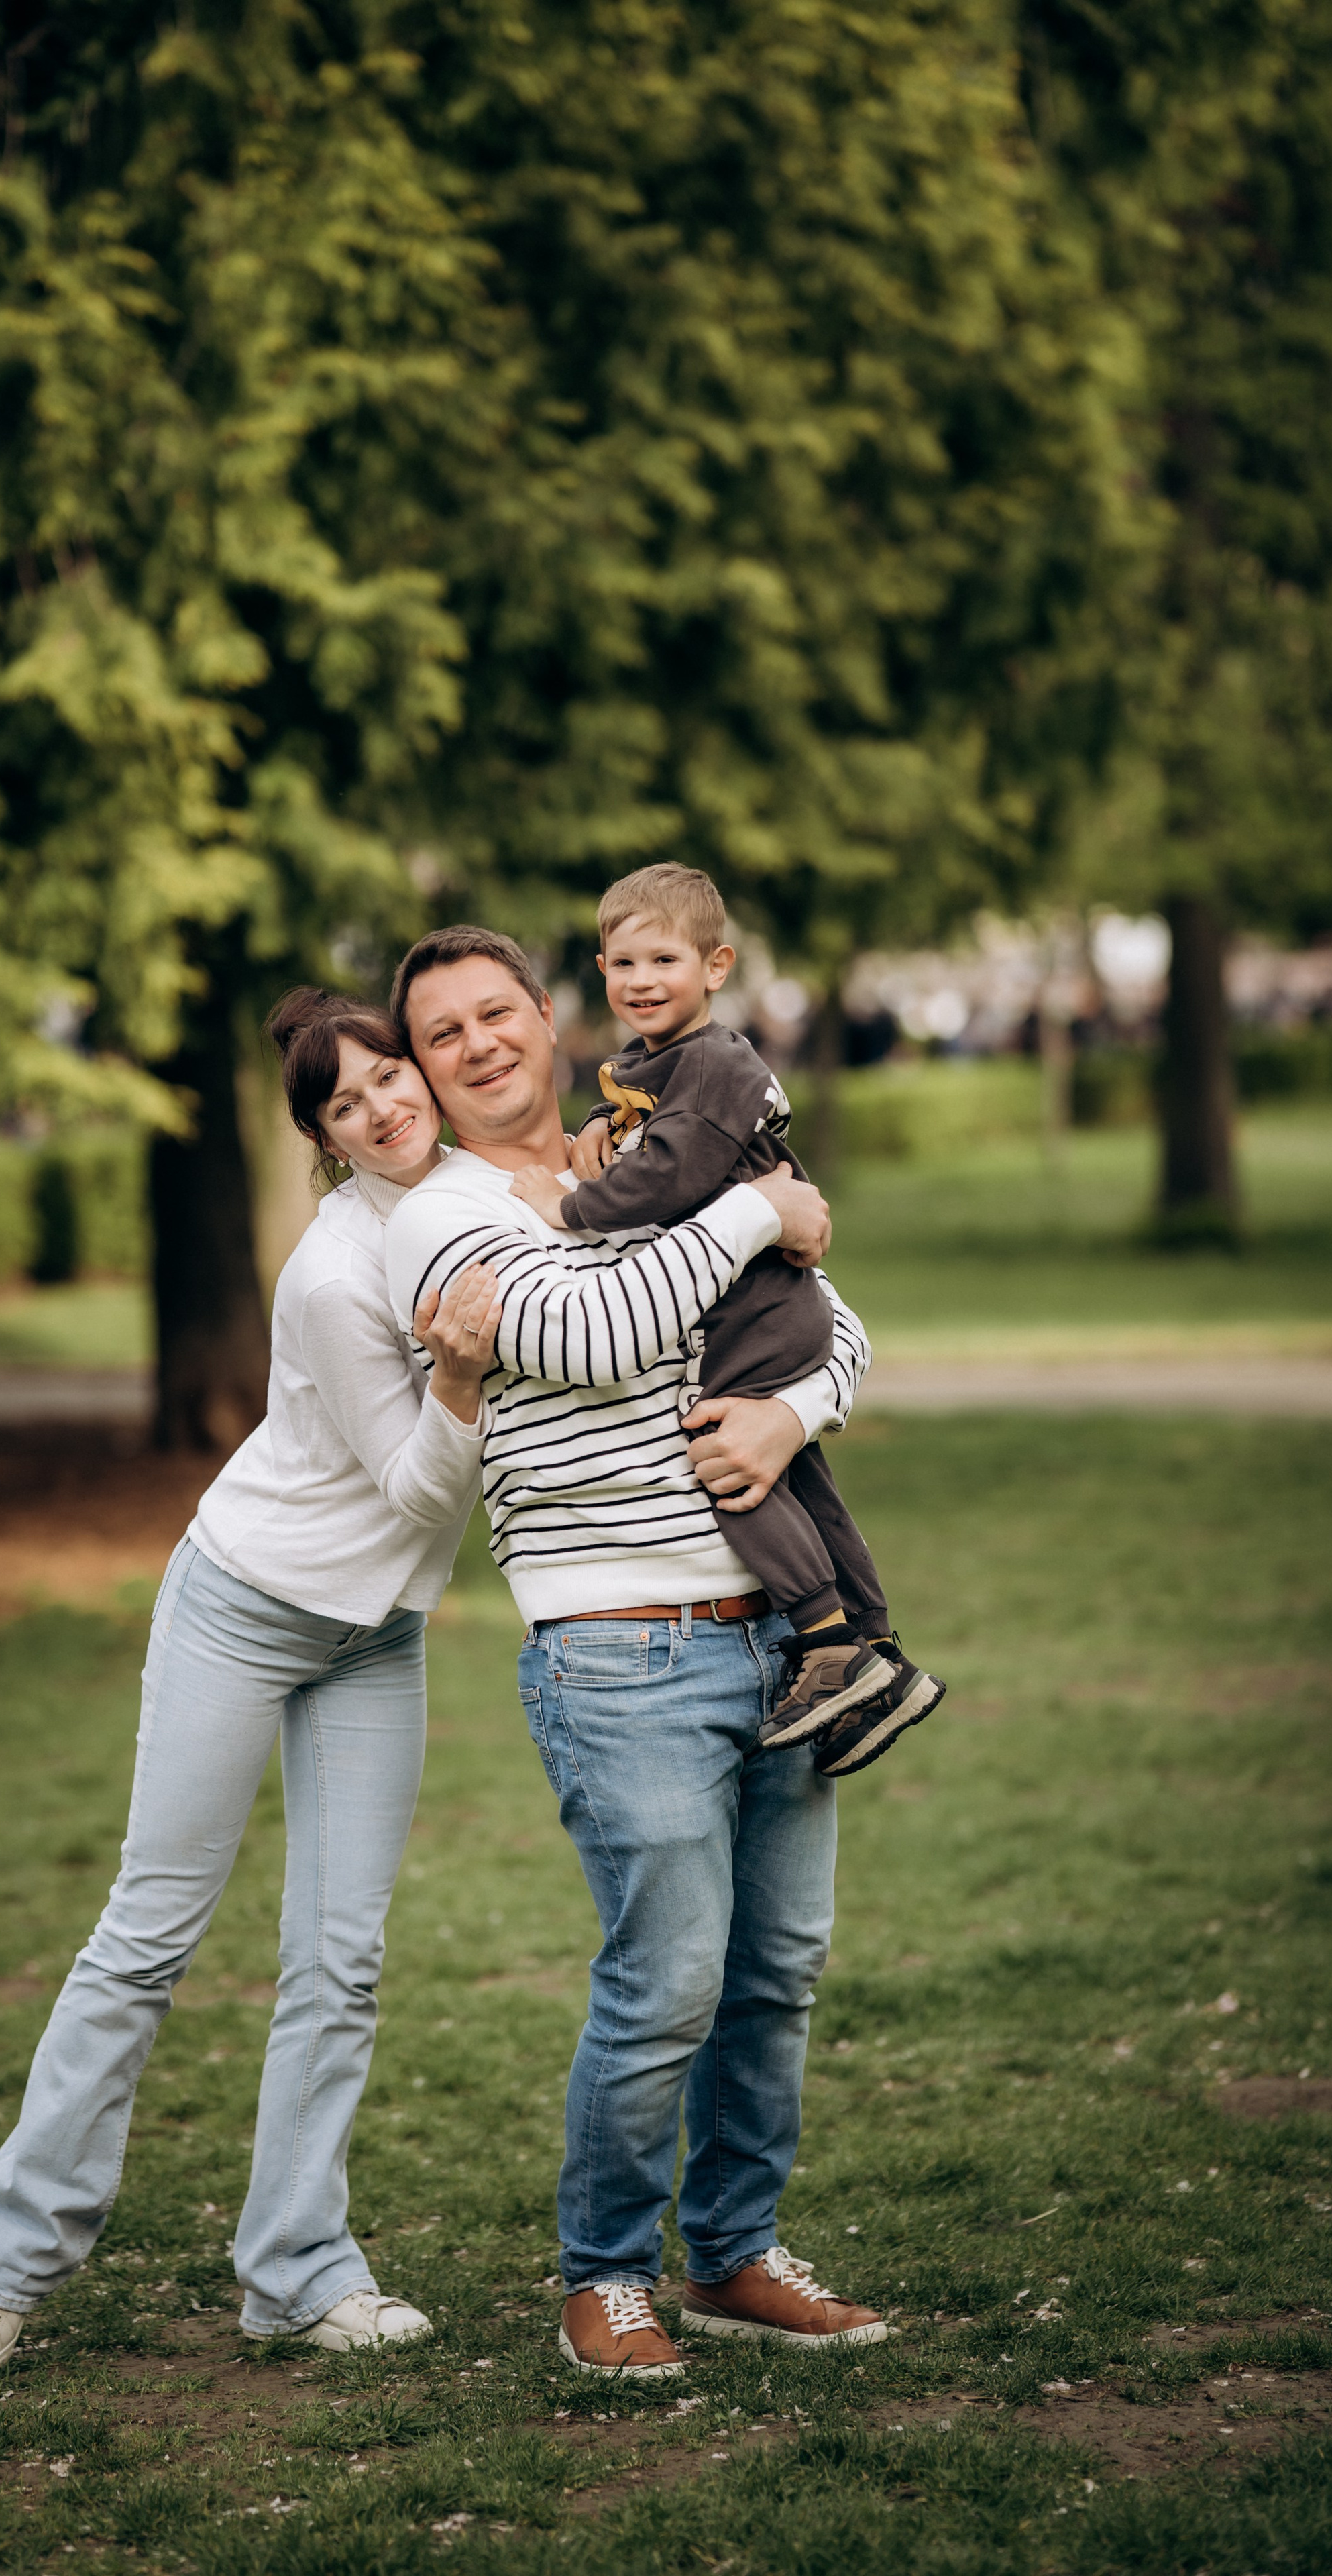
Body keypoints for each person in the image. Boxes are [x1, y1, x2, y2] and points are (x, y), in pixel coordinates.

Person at [0, 989, 504, 2381]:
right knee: (149, 1934)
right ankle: (7, 2269)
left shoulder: (479, 1191)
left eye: (389, 1076)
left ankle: (297, 2271)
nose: (383, 1107)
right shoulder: (326, 1275)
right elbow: (424, 1482)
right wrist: (461, 1376)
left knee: (340, 1959)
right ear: (319, 1138)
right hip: (244, 1605)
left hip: (371, 1637)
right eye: (344, 1104)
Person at [383, 925, 889, 2379]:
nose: (478, 1045)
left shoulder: (640, 1151)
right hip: (617, 1645)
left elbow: (833, 1330)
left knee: (776, 1968)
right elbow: (600, 1327)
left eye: (496, 1013)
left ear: (545, 1019)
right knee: (666, 1976)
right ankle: (602, 2275)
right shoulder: (448, 1216)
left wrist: (790, 1418)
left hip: (781, 1635)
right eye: (442, 1034)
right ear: (420, 1070)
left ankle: (733, 2253)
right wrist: (760, 1214)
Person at [511, 861, 944, 1777]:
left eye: (664, 959)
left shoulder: (713, 1061)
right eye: (622, 963)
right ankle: (877, 1652)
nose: (641, 981)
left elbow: (670, 1172)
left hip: (759, 1309)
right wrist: (600, 1122)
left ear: (716, 966)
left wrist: (569, 1207)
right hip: (760, 1305)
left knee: (729, 1463)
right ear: (599, 969)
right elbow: (648, 1119)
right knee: (799, 1472)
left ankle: (827, 1642)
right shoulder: (661, 1061)